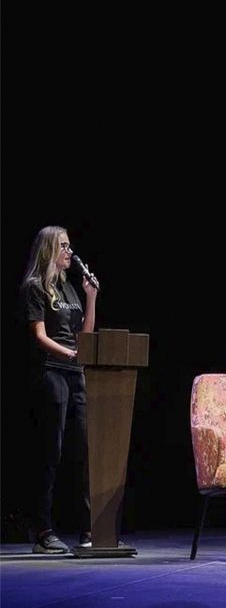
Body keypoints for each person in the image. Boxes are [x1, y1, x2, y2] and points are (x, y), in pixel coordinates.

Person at [19, 226, 99, 554]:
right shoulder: (35, 287)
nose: (70, 252)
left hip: (76, 374)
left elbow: (85, 336)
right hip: (51, 372)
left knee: (83, 452)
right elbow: (39, 336)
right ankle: (42, 531)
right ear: (49, 250)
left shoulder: (69, 289)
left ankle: (89, 530)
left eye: (69, 246)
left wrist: (91, 297)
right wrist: (68, 354)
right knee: (50, 452)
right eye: (64, 246)